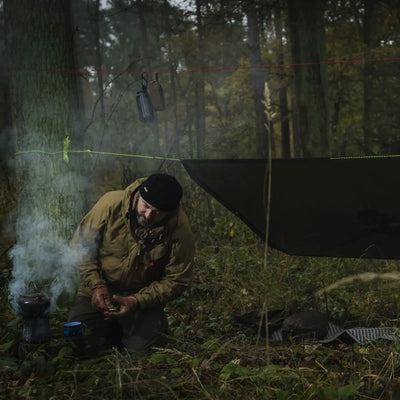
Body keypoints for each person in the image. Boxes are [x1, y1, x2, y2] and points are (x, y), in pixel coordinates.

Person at [68, 173, 195, 352]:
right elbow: (81, 247)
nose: (149, 215)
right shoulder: (111, 204)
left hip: (142, 298)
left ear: (169, 212)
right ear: (138, 196)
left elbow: (177, 279)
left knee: (144, 352)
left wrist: (137, 301)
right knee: (77, 340)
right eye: (146, 206)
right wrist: (95, 284)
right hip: (100, 289)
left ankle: (131, 331)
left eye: (158, 212)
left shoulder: (179, 229)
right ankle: (112, 330)